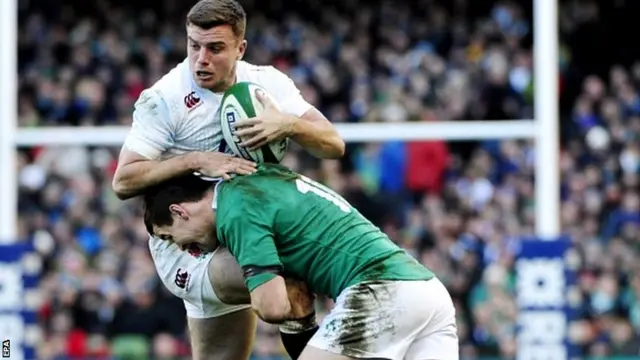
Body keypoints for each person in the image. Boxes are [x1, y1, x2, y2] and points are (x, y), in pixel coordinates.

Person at [110, 0, 345, 358]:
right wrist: (196, 160)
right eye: (194, 45)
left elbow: (333, 145)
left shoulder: (267, 84)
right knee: (287, 280)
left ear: (240, 48)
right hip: (189, 245)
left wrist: (289, 124)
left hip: (242, 230)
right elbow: (123, 181)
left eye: (215, 48)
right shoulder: (165, 99)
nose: (201, 58)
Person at [143, 163, 459, 360]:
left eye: (171, 237)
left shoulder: (234, 210)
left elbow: (274, 306)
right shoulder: (259, 176)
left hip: (382, 292)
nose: (184, 248)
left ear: (179, 211)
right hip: (428, 292)